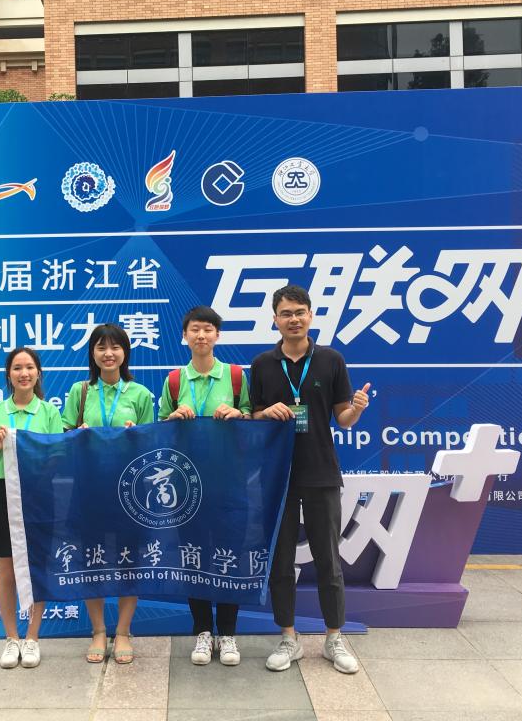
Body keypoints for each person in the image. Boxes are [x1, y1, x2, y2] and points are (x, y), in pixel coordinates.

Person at [250, 285, 371, 674]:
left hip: (321, 473)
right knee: (281, 562)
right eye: (286, 313)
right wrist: (266, 412)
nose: (294, 319)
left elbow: (343, 418)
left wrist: (357, 409)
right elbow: (252, 417)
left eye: (300, 312)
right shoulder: (262, 364)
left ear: (311, 315)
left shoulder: (331, 360)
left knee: (328, 560)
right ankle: (289, 638)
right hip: (277, 477)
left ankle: (334, 638)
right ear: (275, 319)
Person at [158, 305, 251, 667]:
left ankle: (227, 633)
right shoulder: (174, 381)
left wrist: (239, 414)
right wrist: (172, 418)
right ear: (185, 336)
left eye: (208, 329)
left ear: (217, 336)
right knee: (193, 555)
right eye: (195, 329)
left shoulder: (237, 377)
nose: (201, 335)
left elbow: (255, 423)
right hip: (187, 486)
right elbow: (159, 432)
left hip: (230, 483)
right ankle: (202, 631)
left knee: (228, 555)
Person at [62, 323, 155, 665]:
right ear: (93, 353)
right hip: (89, 488)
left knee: (130, 560)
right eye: (101, 347)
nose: (109, 353)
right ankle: (99, 630)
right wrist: (79, 434)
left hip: (130, 491)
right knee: (93, 559)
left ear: (125, 352)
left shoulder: (140, 394)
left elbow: (152, 443)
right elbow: (64, 436)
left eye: (115, 347)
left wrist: (136, 435)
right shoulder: (80, 392)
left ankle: (125, 631)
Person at [0, 347, 63, 669]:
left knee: (38, 566)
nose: (23, 373)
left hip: (38, 493)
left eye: (29, 367)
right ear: (9, 375)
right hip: (3, 493)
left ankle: (33, 637)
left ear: (38, 373)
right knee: (7, 569)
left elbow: (58, 455)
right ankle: (11, 638)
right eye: (17, 368)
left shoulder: (49, 412)